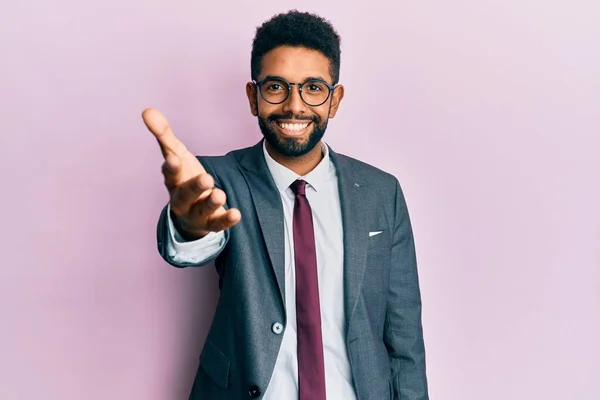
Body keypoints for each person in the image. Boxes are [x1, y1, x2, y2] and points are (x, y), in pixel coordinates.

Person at [143, 9, 429, 400]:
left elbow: (404, 337)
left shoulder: (381, 192)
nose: (294, 106)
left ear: (335, 99)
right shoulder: (217, 180)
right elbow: (195, 242)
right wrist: (190, 225)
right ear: (253, 96)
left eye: (313, 88)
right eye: (276, 87)